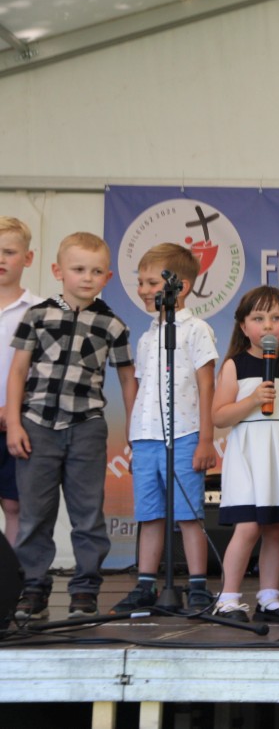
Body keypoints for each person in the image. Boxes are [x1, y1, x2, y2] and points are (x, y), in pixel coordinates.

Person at [8, 231, 136, 620]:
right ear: (58, 270)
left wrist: (134, 432)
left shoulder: (112, 324)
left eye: (96, 271)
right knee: (34, 513)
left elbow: (128, 379)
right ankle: (32, 587)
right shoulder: (37, 315)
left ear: (107, 277)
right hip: (37, 425)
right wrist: (14, 423)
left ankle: (85, 589)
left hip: (87, 427)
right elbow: (18, 372)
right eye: (78, 269)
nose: (86, 277)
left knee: (88, 513)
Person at [112, 243, 219, 614]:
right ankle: (145, 584)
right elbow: (143, 389)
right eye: (140, 282)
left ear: (180, 286)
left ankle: (198, 585)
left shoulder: (196, 330)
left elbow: (207, 385)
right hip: (146, 438)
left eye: (151, 282)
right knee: (150, 514)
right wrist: (134, 439)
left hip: (184, 433)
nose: (143, 290)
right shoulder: (146, 336)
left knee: (188, 515)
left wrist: (206, 439)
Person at [210, 286, 279, 623]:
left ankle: (269, 598)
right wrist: (252, 400)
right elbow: (219, 415)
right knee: (249, 526)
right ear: (243, 326)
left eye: (276, 317)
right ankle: (228, 599)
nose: (268, 325)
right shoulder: (234, 366)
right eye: (258, 318)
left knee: (277, 529)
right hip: (249, 456)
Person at [0, 217, 40, 548]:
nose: (1, 259)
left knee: (15, 505)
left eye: (9, 252)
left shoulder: (39, 310)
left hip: (18, 423)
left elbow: (43, 371)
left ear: (27, 258)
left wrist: (12, 411)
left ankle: (11, 576)